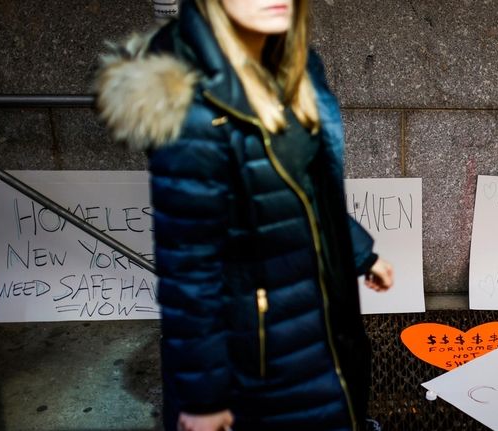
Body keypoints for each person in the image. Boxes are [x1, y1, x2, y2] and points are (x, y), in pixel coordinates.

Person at [94, 0, 393, 430]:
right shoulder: (190, 106)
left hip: (319, 319)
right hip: (257, 352)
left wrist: (361, 254)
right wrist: (203, 399)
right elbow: (189, 274)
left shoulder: (298, 67)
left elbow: (311, 194)